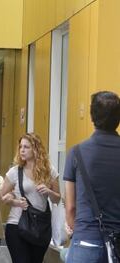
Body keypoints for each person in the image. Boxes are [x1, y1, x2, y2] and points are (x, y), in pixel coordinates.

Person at [64, 91, 120, 263]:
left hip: (86, 240)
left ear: (91, 117)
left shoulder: (76, 153)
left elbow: (71, 207)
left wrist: (76, 229)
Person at [1, 133, 61, 263]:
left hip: (40, 226)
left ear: (36, 149)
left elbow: (57, 199)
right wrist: (15, 201)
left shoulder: (50, 171)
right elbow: (3, 196)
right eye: (21, 146)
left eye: (26, 147)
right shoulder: (15, 171)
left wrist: (49, 192)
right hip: (17, 224)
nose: (22, 150)